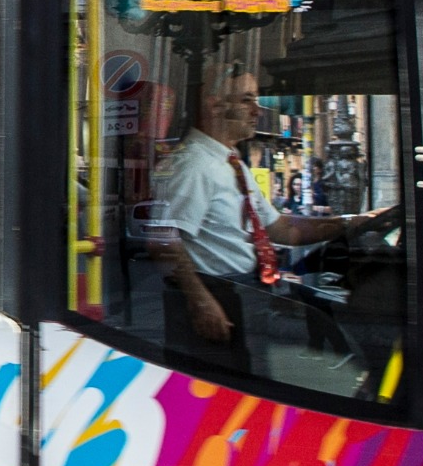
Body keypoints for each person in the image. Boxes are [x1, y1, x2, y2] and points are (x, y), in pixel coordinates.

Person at [148, 65, 400, 377]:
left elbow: (282, 229)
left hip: (240, 293)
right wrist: (200, 301)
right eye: (247, 101)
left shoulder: (228, 162)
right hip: (217, 293)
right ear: (215, 105)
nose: (257, 111)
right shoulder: (193, 164)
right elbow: (162, 239)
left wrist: (354, 222)